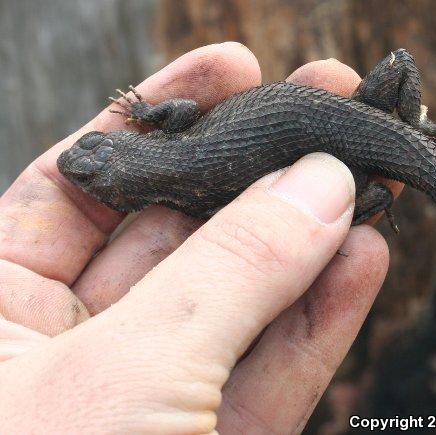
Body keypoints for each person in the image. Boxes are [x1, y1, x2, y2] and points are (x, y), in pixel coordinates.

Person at [0, 42, 399, 433]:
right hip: (329, 122)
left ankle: (379, 192)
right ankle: (408, 139)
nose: (74, 166)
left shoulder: (190, 197)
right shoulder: (172, 139)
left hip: (320, 130)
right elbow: (185, 110)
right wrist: (146, 112)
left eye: (88, 175)